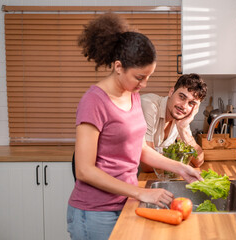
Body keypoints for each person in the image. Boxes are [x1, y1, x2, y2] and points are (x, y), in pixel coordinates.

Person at [67, 12, 202, 240]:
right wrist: (141, 193)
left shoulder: (133, 95)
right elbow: (84, 170)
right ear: (118, 67)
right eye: (140, 77)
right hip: (95, 212)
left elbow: (140, 149)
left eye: (148, 76)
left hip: (127, 203)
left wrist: (180, 168)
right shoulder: (94, 101)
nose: (145, 84)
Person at [140, 73, 207, 172]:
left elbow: (198, 161)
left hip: (149, 177)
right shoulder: (149, 106)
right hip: (123, 177)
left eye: (191, 103)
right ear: (171, 92)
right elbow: (147, 166)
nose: (184, 106)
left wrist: (183, 129)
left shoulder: (180, 119)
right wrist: (178, 163)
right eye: (182, 97)